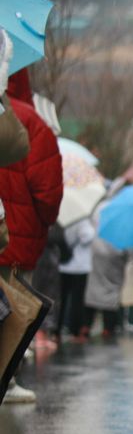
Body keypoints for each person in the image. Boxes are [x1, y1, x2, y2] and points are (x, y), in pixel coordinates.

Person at [0, 90, 63, 403]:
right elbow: (48, 193)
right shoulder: (29, 121)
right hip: (17, 236)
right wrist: (44, 222)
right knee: (14, 311)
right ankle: (7, 379)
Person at [59, 217, 96, 341]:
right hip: (80, 266)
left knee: (62, 298)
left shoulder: (62, 219)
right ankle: (75, 329)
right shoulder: (82, 221)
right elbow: (88, 236)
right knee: (77, 299)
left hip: (63, 265)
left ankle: (57, 329)